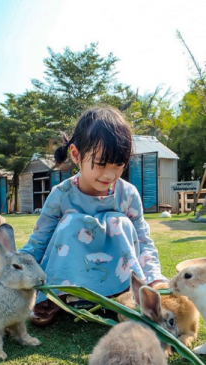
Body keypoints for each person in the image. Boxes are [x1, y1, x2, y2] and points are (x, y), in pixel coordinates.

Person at [21, 107, 165, 327]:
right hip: (69, 278)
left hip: (120, 279)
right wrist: (13, 263)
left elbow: (143, 241)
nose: (109, 174)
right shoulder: (61, 195)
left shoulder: (127, 194)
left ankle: (125, 295)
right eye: (100, 164)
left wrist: (155, 279)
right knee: (72, 222)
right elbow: (39, 241)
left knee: (120, 222)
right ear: (76, 154)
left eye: (118, 165)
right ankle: (56, 297)